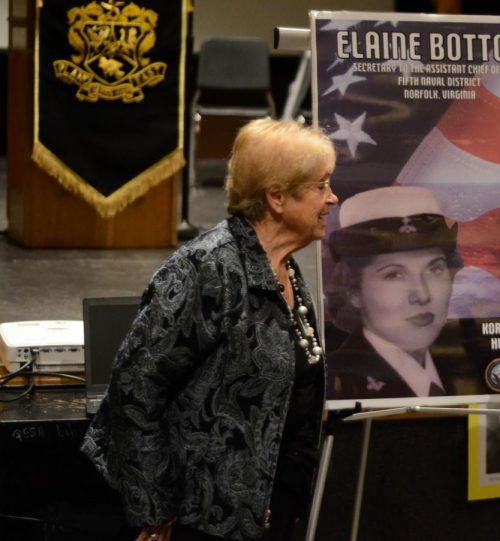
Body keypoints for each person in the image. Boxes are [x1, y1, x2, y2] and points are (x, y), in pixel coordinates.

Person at [80, 119, 338, 541]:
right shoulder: (207, 269)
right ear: (276, 196)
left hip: (276, 510)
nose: (332, 198)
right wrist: (154, 507)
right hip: (206, 520)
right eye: (321, 185)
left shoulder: (283, 265)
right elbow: (134, 390)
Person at [325, 186, 473, 400]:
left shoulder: (468, 366)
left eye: (435, 269)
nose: (422, 295)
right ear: (353, 290)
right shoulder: (336, 382)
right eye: (394, 275)